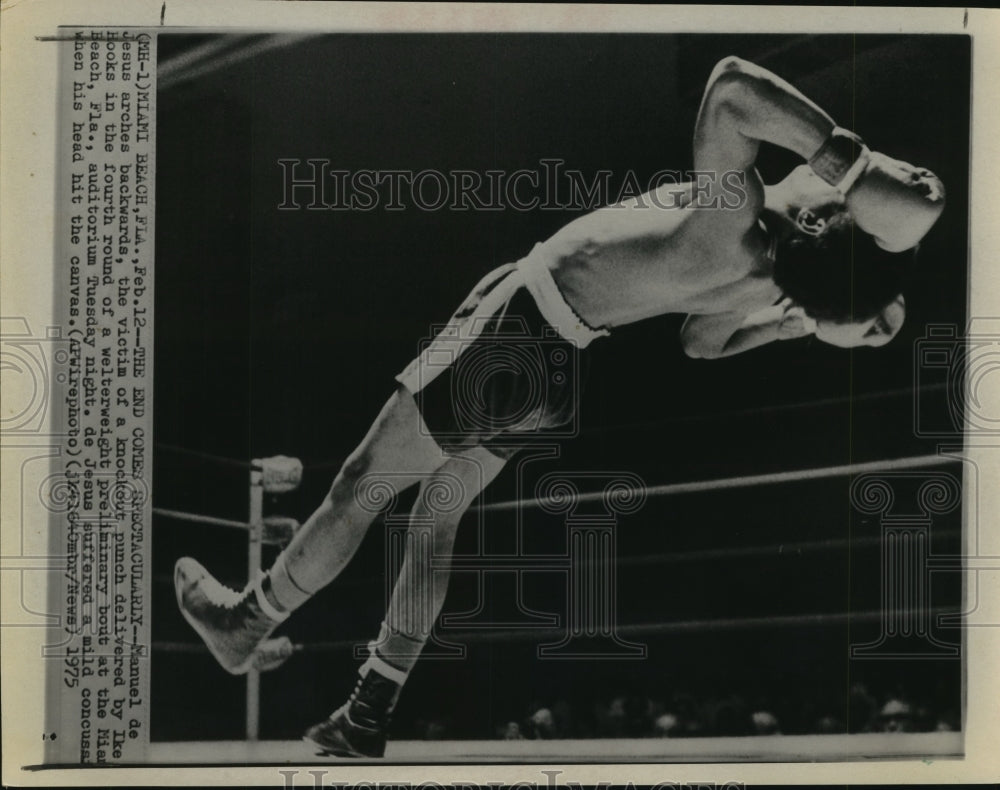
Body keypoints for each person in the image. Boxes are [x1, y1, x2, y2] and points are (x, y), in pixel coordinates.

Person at [174, 56, 945, 757]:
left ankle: (246, 621)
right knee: (436, 517)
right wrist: (789, 322)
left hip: (518, 332)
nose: (826, 183)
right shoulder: (764, 277)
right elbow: (699, 342)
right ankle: (370, 709)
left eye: (832, 196)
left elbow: (731, 88)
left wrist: (843, 158)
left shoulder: (731, 216)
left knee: (360, 486)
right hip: (551, 370)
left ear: (817, 218)